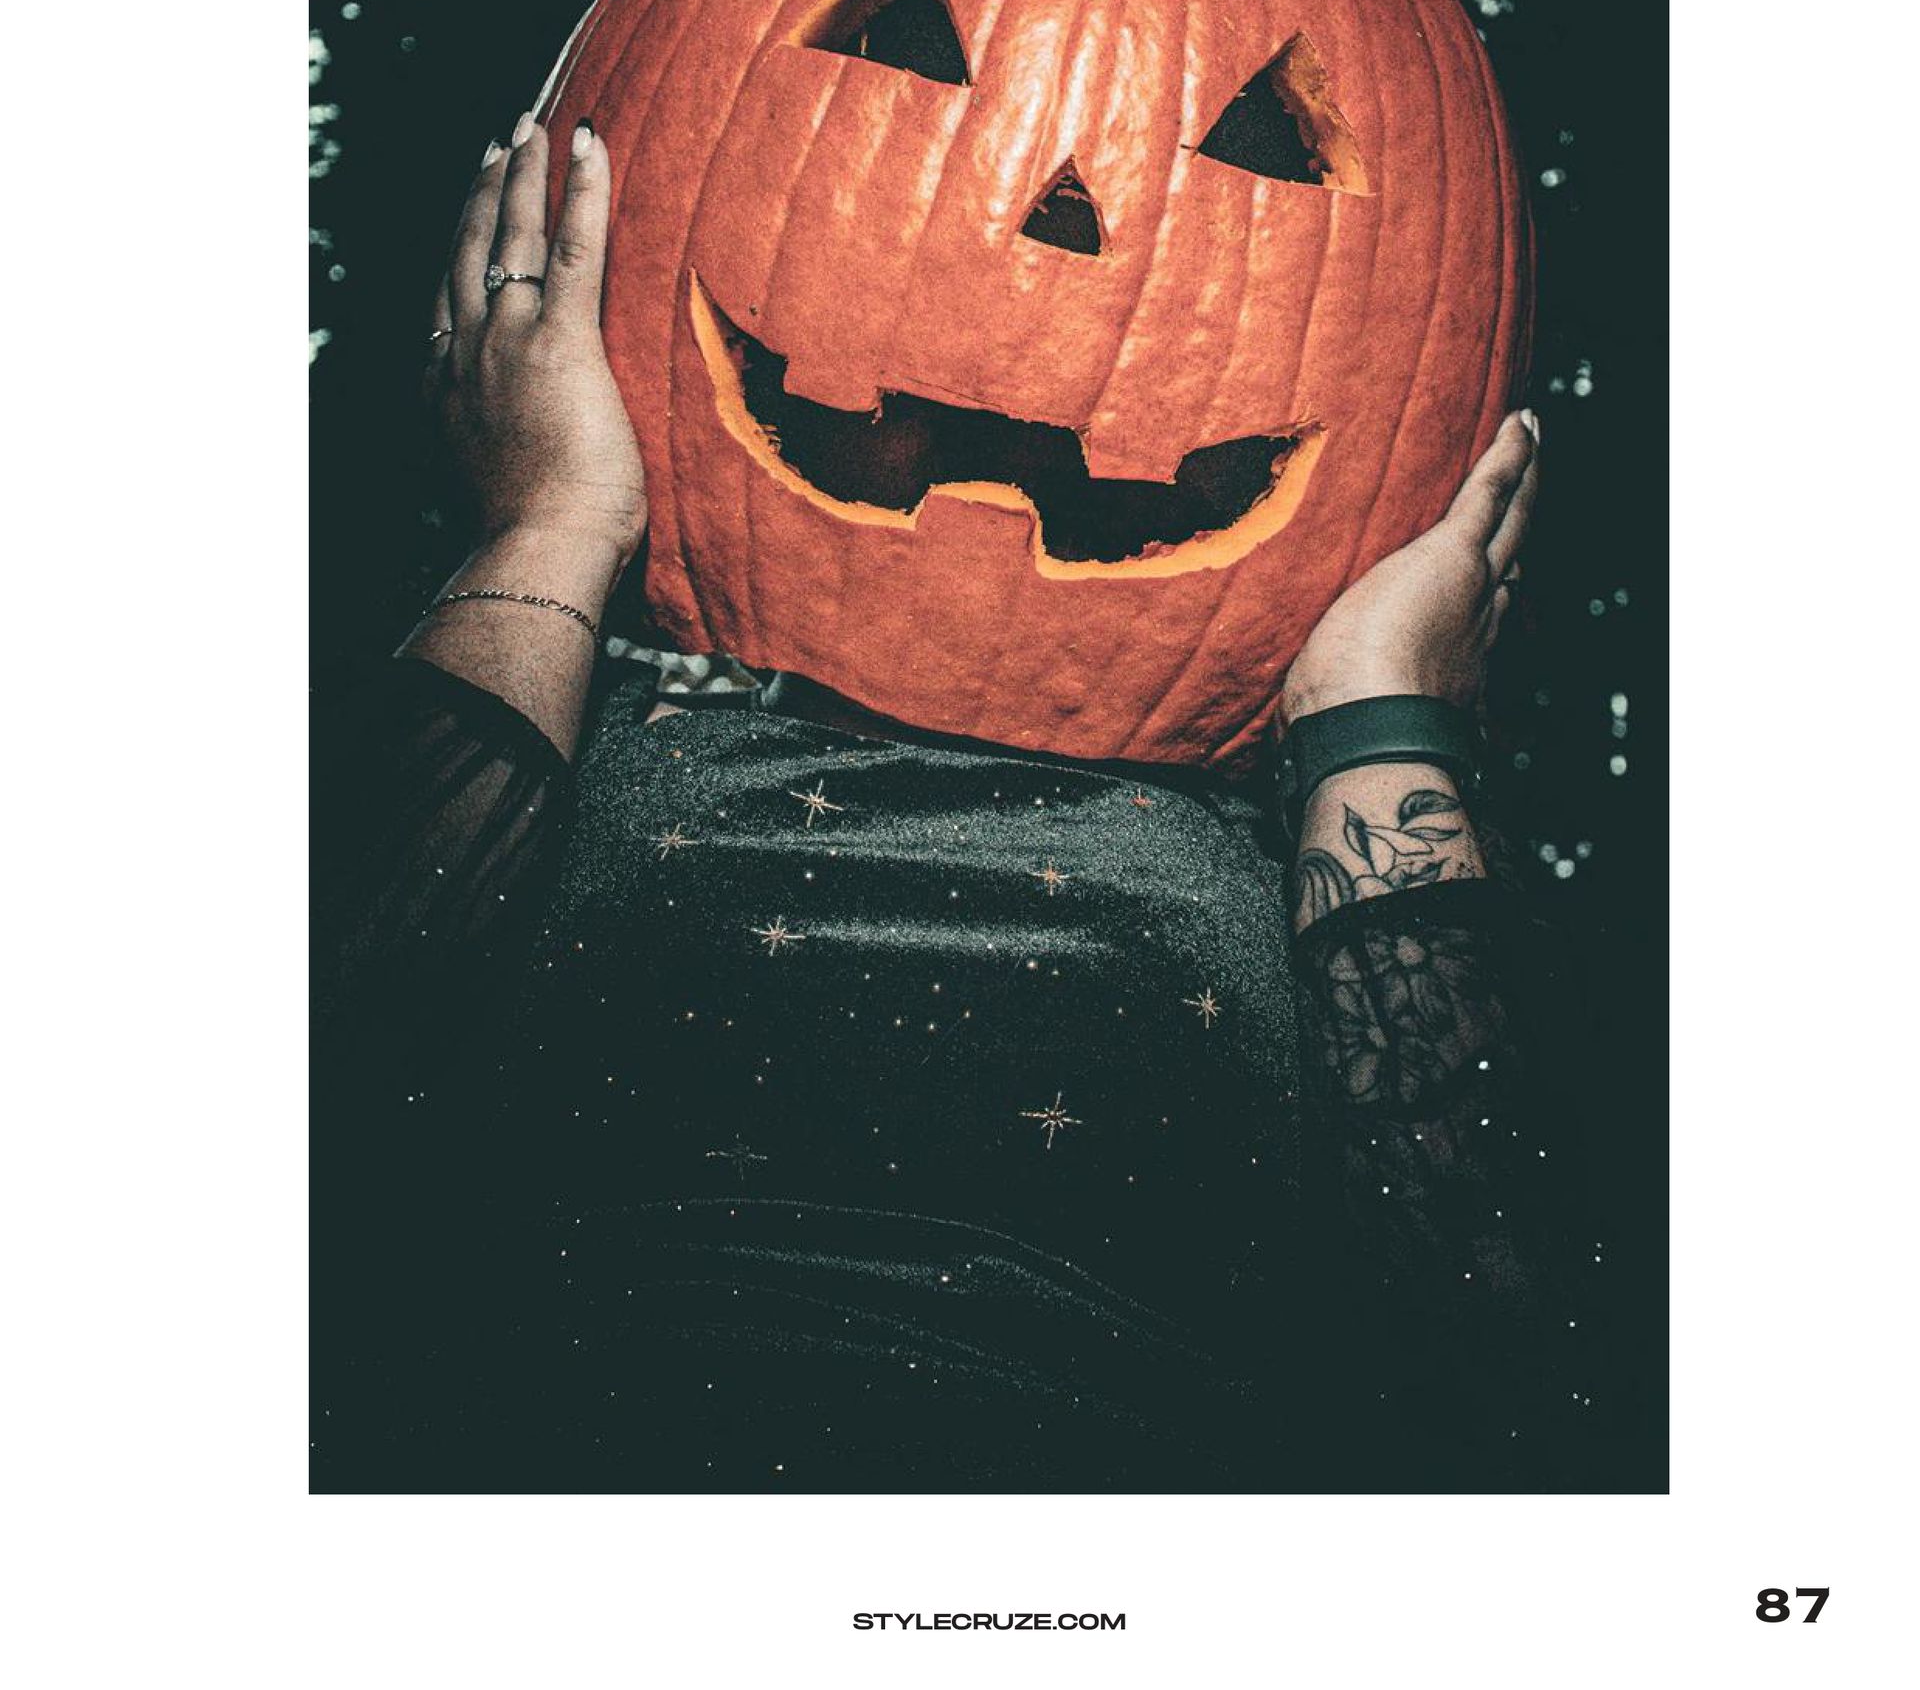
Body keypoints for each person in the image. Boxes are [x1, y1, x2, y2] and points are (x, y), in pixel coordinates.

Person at [312, 113, 1620, 1493]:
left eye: (1264, 144)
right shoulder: (582, 720)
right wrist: (549, 526)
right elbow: (326, 1076)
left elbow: (1513, 1356)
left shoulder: (1275, 858)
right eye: (896, 48)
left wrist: (1377, 720)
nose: (1060, 216)